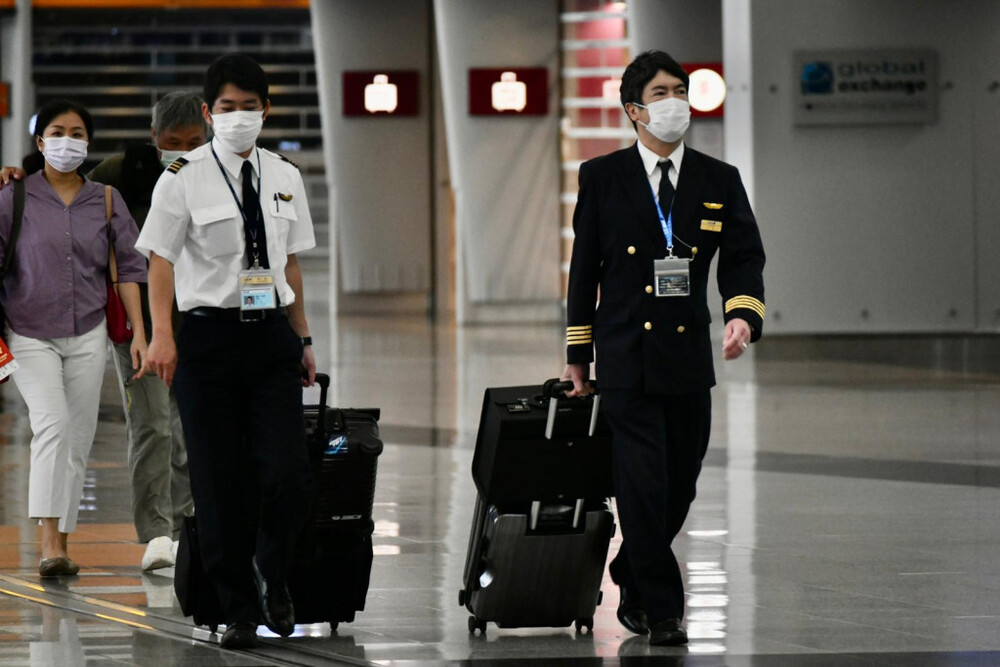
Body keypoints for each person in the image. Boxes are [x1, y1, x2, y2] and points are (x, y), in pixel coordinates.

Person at [561, 50, 765, 646]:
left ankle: (629, 570)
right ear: (634, 110)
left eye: (681, 90)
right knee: (642, 484)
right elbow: (584, 270)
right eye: (661, 93)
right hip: (624, 355)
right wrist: (579, 353)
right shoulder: (602, 177)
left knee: (681, 481)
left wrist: (741, 316)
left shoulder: (716, 179)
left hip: (686, 361)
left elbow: (745, 256)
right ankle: (663, 608)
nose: (676, 101)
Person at [136, 53, 316, 650]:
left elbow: (288, 261)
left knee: (286, 473)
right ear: (210, 114)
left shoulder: (285, 174)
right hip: (207, 340)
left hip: (270, 339)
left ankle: (276, 574)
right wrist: (163, 335)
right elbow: (159, 261)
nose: (239, 117)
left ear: (267, 109)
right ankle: (238, 607)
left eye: (250, 106)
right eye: (227, 108)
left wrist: (304, 338)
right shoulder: (181, 176)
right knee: (218, 483)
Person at [0, 99, 148, 577]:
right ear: (40, 142)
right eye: (58, 132)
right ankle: (47, 542)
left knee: (78, 438)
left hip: (88, 332)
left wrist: (140, 334)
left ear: (88, 142)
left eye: (78, 133)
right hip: (29, 330)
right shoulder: (14, 196)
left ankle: (62, 542)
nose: (68, 141)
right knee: (54, 426)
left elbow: (128, 269)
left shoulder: (105, 199)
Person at [87, 91, 207, 572]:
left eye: (194, 140)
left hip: (200, 324)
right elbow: (61, 196)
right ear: (154, 140)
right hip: (139, 328)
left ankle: (189, 527)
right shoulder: (120, 174)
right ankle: (157, 532)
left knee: (192, 430)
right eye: (173, 141)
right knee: (153, 428)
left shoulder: (221, 174)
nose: (184, 148)